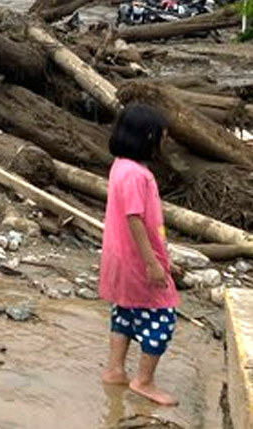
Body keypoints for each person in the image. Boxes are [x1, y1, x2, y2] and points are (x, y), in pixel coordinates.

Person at [99, 103, 179, 406]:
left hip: (119, 257)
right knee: (162, 315)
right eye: (163, 137)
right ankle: (144, 381)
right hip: (137, 260)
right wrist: (153, 263)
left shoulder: (121, 165)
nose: (165, 143)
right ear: (148, 137)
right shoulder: (137, 175)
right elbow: (135, 218)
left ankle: (114, 369)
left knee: (126, 310)